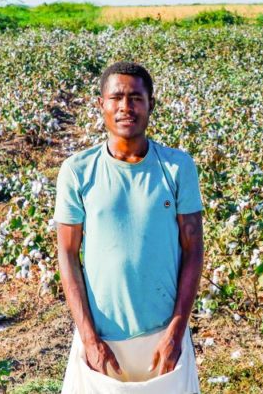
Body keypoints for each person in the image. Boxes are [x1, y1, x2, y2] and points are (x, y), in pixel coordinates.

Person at [54, 61, 204, 393]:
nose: (126, 107)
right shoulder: (77, 170)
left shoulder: (177, 167)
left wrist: (175, 333)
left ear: (151, 103)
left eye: (136, 97)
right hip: (101, 341)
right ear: (101, 105)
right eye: (116, 97)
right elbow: (66, 253)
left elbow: (194, 250)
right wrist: (89, 338)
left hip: (163, 338)